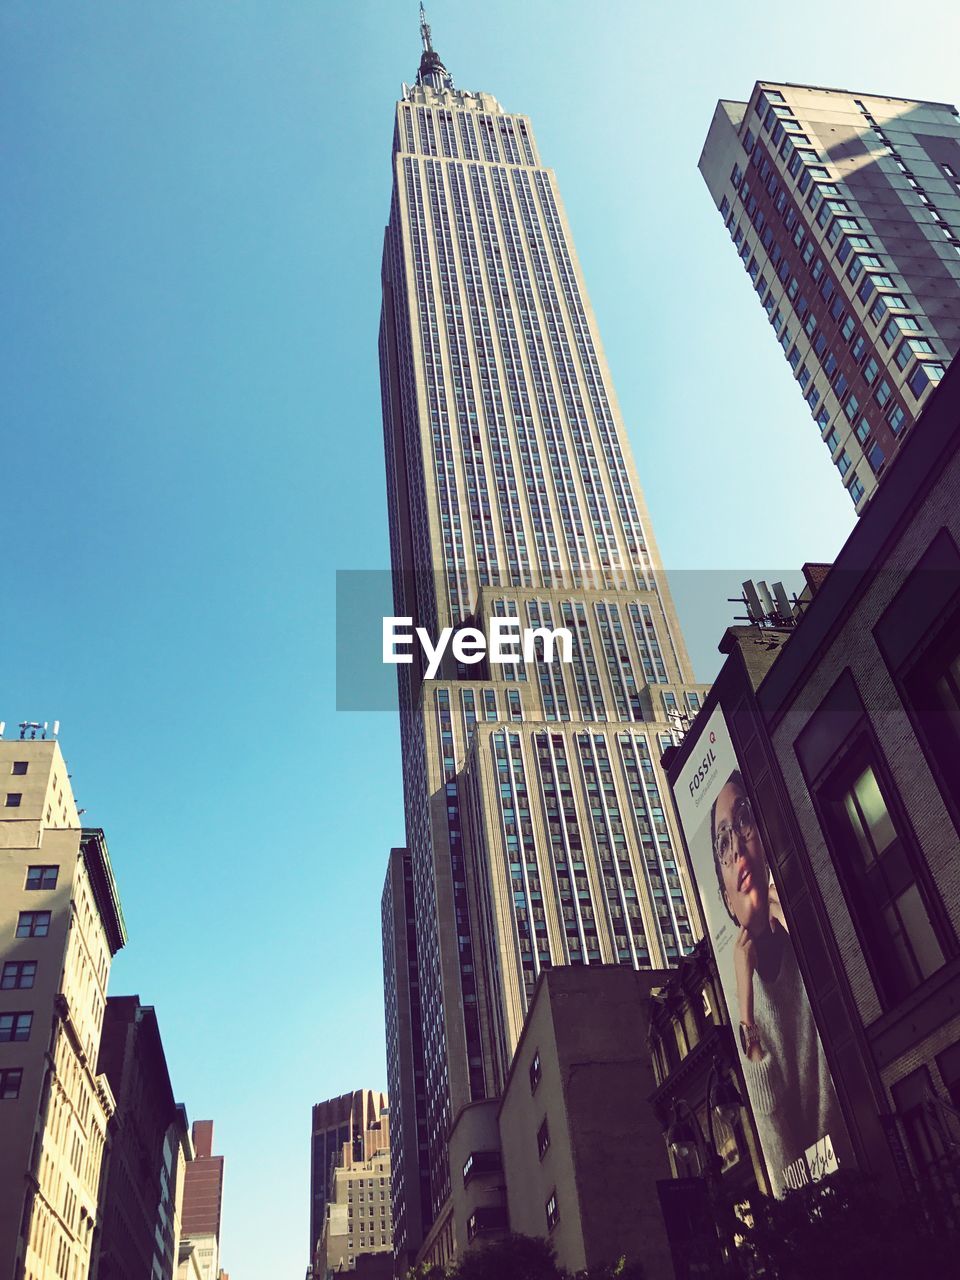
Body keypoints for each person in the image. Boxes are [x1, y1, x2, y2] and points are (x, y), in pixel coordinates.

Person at [711, 769, 842, 1195]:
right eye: (722, 843)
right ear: (726, 897)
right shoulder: (742, 1001)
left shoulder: (814, 923)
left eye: (744, 821)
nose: (737, 850)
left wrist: (802, 939)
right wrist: (748, 1019)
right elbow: (788, 1186)